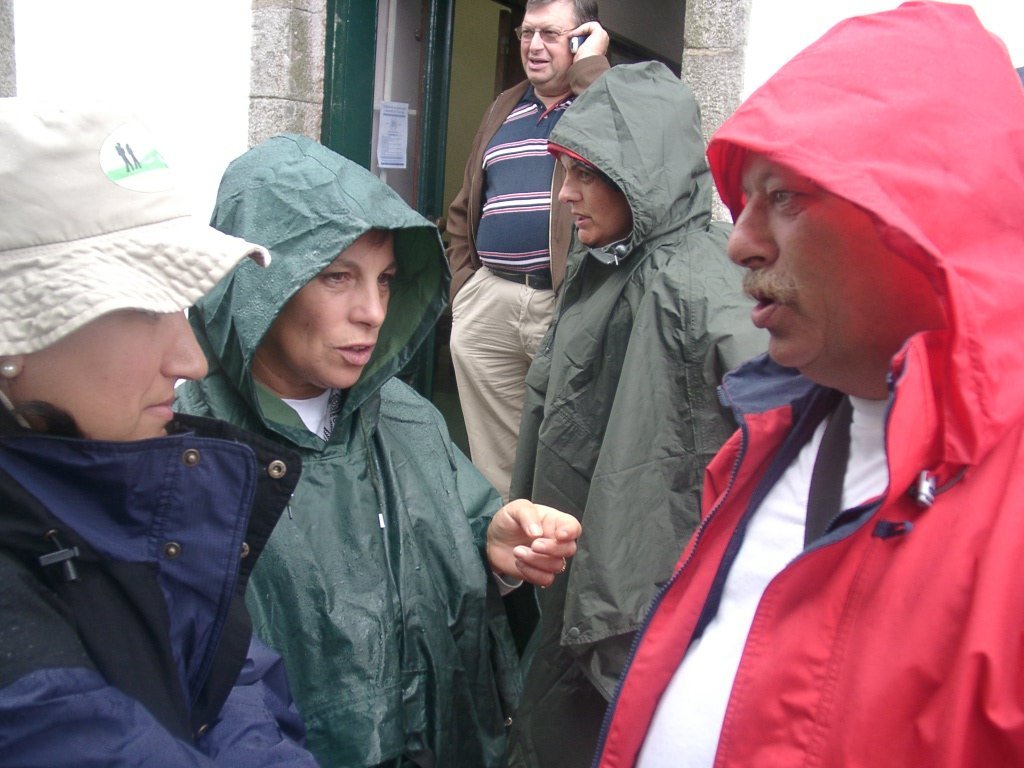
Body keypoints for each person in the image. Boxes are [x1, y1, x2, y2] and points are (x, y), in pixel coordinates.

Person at [594, 4, 1024, 767]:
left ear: (918, 211)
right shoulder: (764, 439)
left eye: (785, 197)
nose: (740, 242)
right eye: (746, 200)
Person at [174, 134, 582, 768]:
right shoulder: (185, 449)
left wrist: (494, 546)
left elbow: (461, 533)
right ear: (259, 280)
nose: (371, 311)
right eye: (336, 276)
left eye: (386, 280)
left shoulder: (405, 416)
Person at [0, 101, 318, 766]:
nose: (191, 360)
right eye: (147, 307)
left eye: (184, 306)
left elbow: (225, 679)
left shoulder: (129, 489)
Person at [505, 62, 766, 768]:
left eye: (586, 174)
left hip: (649, 588)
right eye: (564, 171)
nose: (566, 193)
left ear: (638, 175)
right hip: (575, 558)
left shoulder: (705, 283)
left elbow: (770, 429)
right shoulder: (602, 263)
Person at [446, 0, 610, 500]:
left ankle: (557, 541)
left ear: (582, 39)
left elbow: (622, 150)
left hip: (564, 303)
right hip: (490, 299)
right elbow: (464, 207)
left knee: (570, 442)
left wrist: (592, 71)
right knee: (495, 457)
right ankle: (508, 539)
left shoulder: (598, 103)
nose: (534, 46)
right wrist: (465, 288)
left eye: (551, 35)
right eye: (526, 32)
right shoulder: (504, 107)